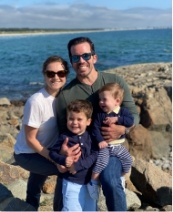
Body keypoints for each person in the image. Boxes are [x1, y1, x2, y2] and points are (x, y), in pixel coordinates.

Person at [55, 36, 140, 211]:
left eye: (86, 55)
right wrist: (63, 152)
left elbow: (133, 114)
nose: (81, 61)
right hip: (84, 152)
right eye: (75, 58)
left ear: (94, 57)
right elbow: (63, 129)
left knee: (110, 180)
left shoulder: (114, 81)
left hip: (111, 149)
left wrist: (123, 129)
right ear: (71, 61)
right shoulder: (66, 94)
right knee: (61, 192)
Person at [14, 55, 81, 210]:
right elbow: (30, 140)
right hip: (27, 153)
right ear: (44, 75)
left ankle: (30, 206)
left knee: (36, 182)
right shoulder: (36, 101)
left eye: (61, 73)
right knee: (64, 171)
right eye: (51, 74)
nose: (56, 77)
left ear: (66, 74)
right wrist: (55, 160)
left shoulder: (64, 97)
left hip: (46, 149)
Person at [49, 99, 98, 211]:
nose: (74, 122)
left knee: (90, 209)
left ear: (88, 121)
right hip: (71, 182)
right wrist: (63, 160)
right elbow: (52, 153)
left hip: (90, 183)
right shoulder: (64, 137)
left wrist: (78, 165)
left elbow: (95, 154)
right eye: (71, 119)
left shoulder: (90, 137)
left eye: (79, 119)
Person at [87, 82, 134, 200]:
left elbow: (130, 121)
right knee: (101, 163)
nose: (101, 102)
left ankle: (121, 177)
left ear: (117, 101)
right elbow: (95, 129)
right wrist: (100, 141)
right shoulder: (99, 115)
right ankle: (93, 181)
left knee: (128, 160)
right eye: (100, 99)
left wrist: (118, 119)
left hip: (118, 147)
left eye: (104, 99)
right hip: (105, 147)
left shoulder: (122, 112)